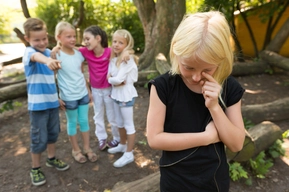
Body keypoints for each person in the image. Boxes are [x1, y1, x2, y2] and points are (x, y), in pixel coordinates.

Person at [146, 11, 246, 191]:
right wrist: (206, 138)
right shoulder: (163, 87)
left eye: (207, 69)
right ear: (176, 52)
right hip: (175, 180)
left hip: (214, 181)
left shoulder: (229, 87)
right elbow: (154, 139)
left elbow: (237, 143)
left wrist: (215, 107)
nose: (196, 76)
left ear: (221, 59)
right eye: (188, 67)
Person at [22, 18, 69, 186]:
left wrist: (56, 98)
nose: (41, 43)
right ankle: (35, 168)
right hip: (37, 107)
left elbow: (50, 80)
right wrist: (48, 60)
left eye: (44, 39)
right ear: (27, 39)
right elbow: (36, 56)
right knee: (38, 138)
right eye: (37, 40)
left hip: (51, 103)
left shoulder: (49, 53)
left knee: (52, 134)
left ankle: (51, 159)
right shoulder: (29, 52)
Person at [79, 26, 130, 151]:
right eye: (84, 39)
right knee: (98, 115)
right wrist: (58, 47)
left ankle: (117, 138)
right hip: (96, 91)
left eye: (87, 39)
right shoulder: (85, 51)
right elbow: (70, 49)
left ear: (98, 38)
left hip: (109, 90)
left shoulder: (109, 51)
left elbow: (124, 49)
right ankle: (101, 137)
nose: (85, 42)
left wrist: (128, 52)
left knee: (112, 116)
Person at [54, 21, 97, 163]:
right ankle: (76, 150)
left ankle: (87, 148)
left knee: (84, 121)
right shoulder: (56, 54)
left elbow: (81, 73)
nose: (72, 39)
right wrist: (56, 97)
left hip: (83, 94)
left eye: (74, 36)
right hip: (68, 96)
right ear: (59, 37)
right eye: (68, 37)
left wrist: (88, 90)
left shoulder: (79, 54)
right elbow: (51, 77)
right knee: (72, 122)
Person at [106, 29, 138, 167]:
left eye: (121, 42)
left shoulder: (127, 59)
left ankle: (129, 154)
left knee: (128, 124)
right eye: (114, 41)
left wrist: (115, 79)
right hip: (116, 95)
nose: (116, 44)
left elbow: (117, 79)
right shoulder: (114, 59)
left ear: (127, 44)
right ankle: (122, 144)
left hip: (126, 95)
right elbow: (110, 78)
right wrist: (115, 80)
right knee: (119, 122)